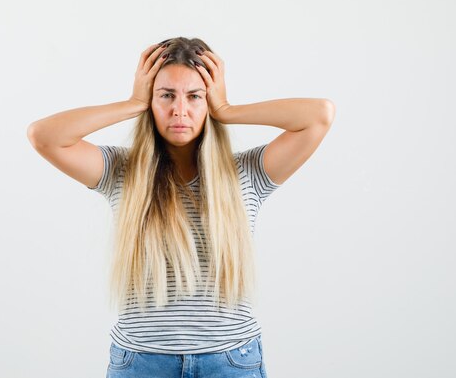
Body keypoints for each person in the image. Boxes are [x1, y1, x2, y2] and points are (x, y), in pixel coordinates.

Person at [26, 37, 335, 378]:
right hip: (142, 362)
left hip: (229, 361)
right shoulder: (121, 171)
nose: (179, 110)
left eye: (194, 96)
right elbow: (44, 135)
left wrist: (229, 111)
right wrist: (132, 103)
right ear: (151, 100)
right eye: (166, 95)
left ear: (209, 101)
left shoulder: (246, 173)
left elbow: (319, 115)